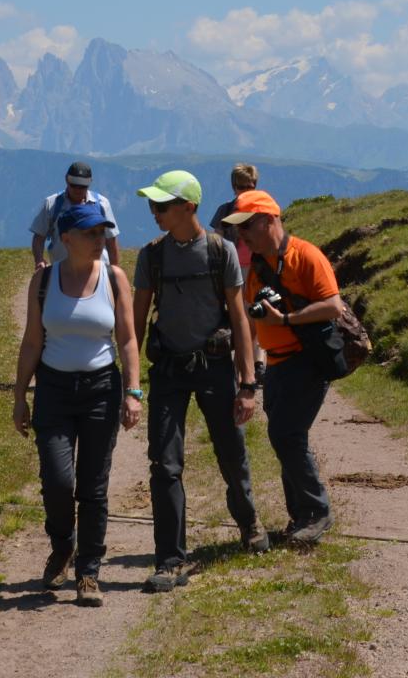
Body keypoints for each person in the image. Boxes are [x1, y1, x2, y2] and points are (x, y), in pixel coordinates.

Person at [132, 170, 267, 593]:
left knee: (231, 452)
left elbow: (240, 319)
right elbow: (134, 326)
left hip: (214, 368)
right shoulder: (150, 256)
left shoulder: (219, 251)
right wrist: (130, 385)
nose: (153, 212)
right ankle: (170, 560)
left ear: (187, 207)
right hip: (169, 369)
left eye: (161, 205)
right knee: (164, 465)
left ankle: (248, 523)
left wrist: (248, 384)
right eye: (152, 204)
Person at [13, 201, 143, 607]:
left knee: (93, 485)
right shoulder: (44, 282)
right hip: (53, 388)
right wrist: (20, 396)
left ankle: (89, 572)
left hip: (101, 388)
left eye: (102, 232)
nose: (99, 238)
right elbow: (33, 341)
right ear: (65, 239)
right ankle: (63, 544)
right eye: (90, 233)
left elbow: (126, 338)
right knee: (57, 480)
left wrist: (133, 392)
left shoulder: (114, 278)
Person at [222, 189, 343, 545]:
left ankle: (316, 512)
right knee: (287, 437)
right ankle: (302, 517)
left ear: (268, 220)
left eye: (246, 225)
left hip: (307, 361)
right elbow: (252, 320)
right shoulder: (258, 266)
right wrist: (254, 366)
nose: (240, 235)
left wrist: (287, 318)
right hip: (276, 366)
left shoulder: (306, 255)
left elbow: (333, 306)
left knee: (286, 435)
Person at [210, 163, 266, 384]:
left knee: (257, 313)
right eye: (241, 186)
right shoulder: (225, 210)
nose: (245, 190)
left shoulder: (262, 210)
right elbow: (217, 240)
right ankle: (247, 364)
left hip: (257, 268)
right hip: (234, 270)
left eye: (249, 186)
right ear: (234, 186)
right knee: (242, 316)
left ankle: (256, 364)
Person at [30, 161, 120, 270]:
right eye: (73, 185)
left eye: (82, 186)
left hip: (98, 270)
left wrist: (114, 270)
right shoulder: (51, 204)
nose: (77, 189)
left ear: (89, 183)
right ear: (66, 180)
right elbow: (39, 237)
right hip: (62, 271)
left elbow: (111, 240)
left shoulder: (102, 204)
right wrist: (39, 260)